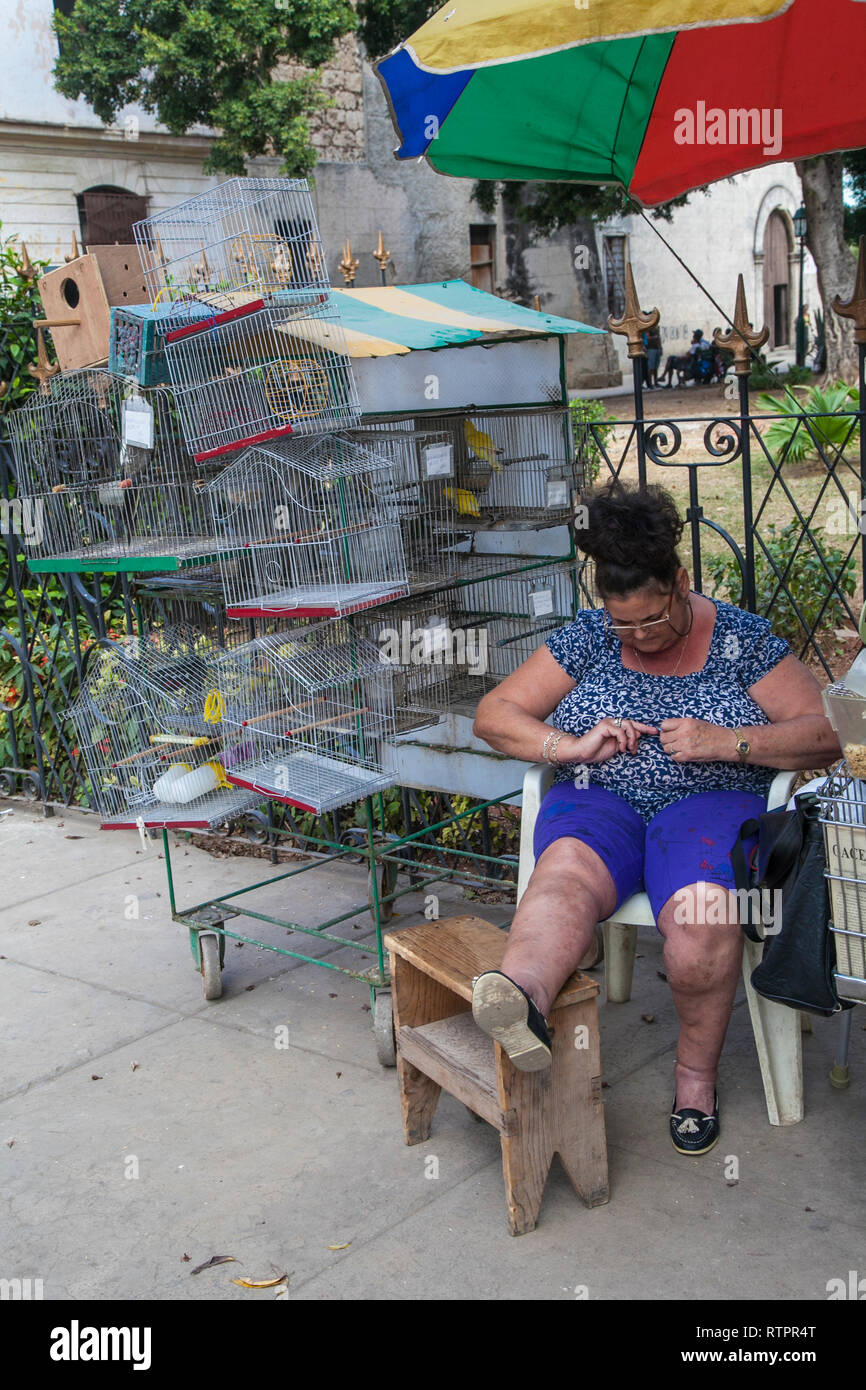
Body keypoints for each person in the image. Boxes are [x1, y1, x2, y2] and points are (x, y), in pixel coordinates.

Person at [471, 483, 840, 1154]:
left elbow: (829, 734)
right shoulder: (586, 640)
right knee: (563, 876)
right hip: (598, 796)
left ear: (680, 582)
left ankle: (695, 1077)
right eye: (623, 624)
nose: (637, 637)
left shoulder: (741, 641)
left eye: (651, 620)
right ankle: (519, 1005)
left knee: (701, 923)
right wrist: (571, 747)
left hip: (711, 807)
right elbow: (494, 716)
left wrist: (725, 742)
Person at [645, 322, 662, 388]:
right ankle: (650, 383)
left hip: (657, 348)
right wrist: (654, 337)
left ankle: (656, 382)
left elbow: (659, 338)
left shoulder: (657, 327)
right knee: (651, 367)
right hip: (651, 349)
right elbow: (647, 337)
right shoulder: (649, 327)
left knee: (655, 367)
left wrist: (660, 348)